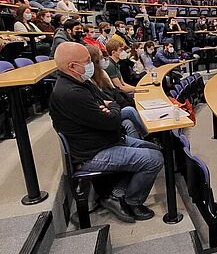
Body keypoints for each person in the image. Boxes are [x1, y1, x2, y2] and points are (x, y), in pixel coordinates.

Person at [49, 42, 162, 222]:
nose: (91, 64)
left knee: (155, 149)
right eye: (87, 61)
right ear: (72, 66)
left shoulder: (82, 81)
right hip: (91, 154)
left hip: (108, 140)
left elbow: (108, 100)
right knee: (154, 159)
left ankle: (116, 194)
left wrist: (110, 108)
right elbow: (111, 120)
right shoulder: (70, 92)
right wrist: (111, 109)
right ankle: (132, 201)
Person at [86, 45, 147, 139]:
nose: (104, 59)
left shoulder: (102, 73)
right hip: (111, 109)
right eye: (101, 57)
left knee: (128, 122)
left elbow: (115, 89)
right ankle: (148, 134)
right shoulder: (89, 80)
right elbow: (118, 89)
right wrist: (136, 90)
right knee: (130, 111)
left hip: (116, 102)